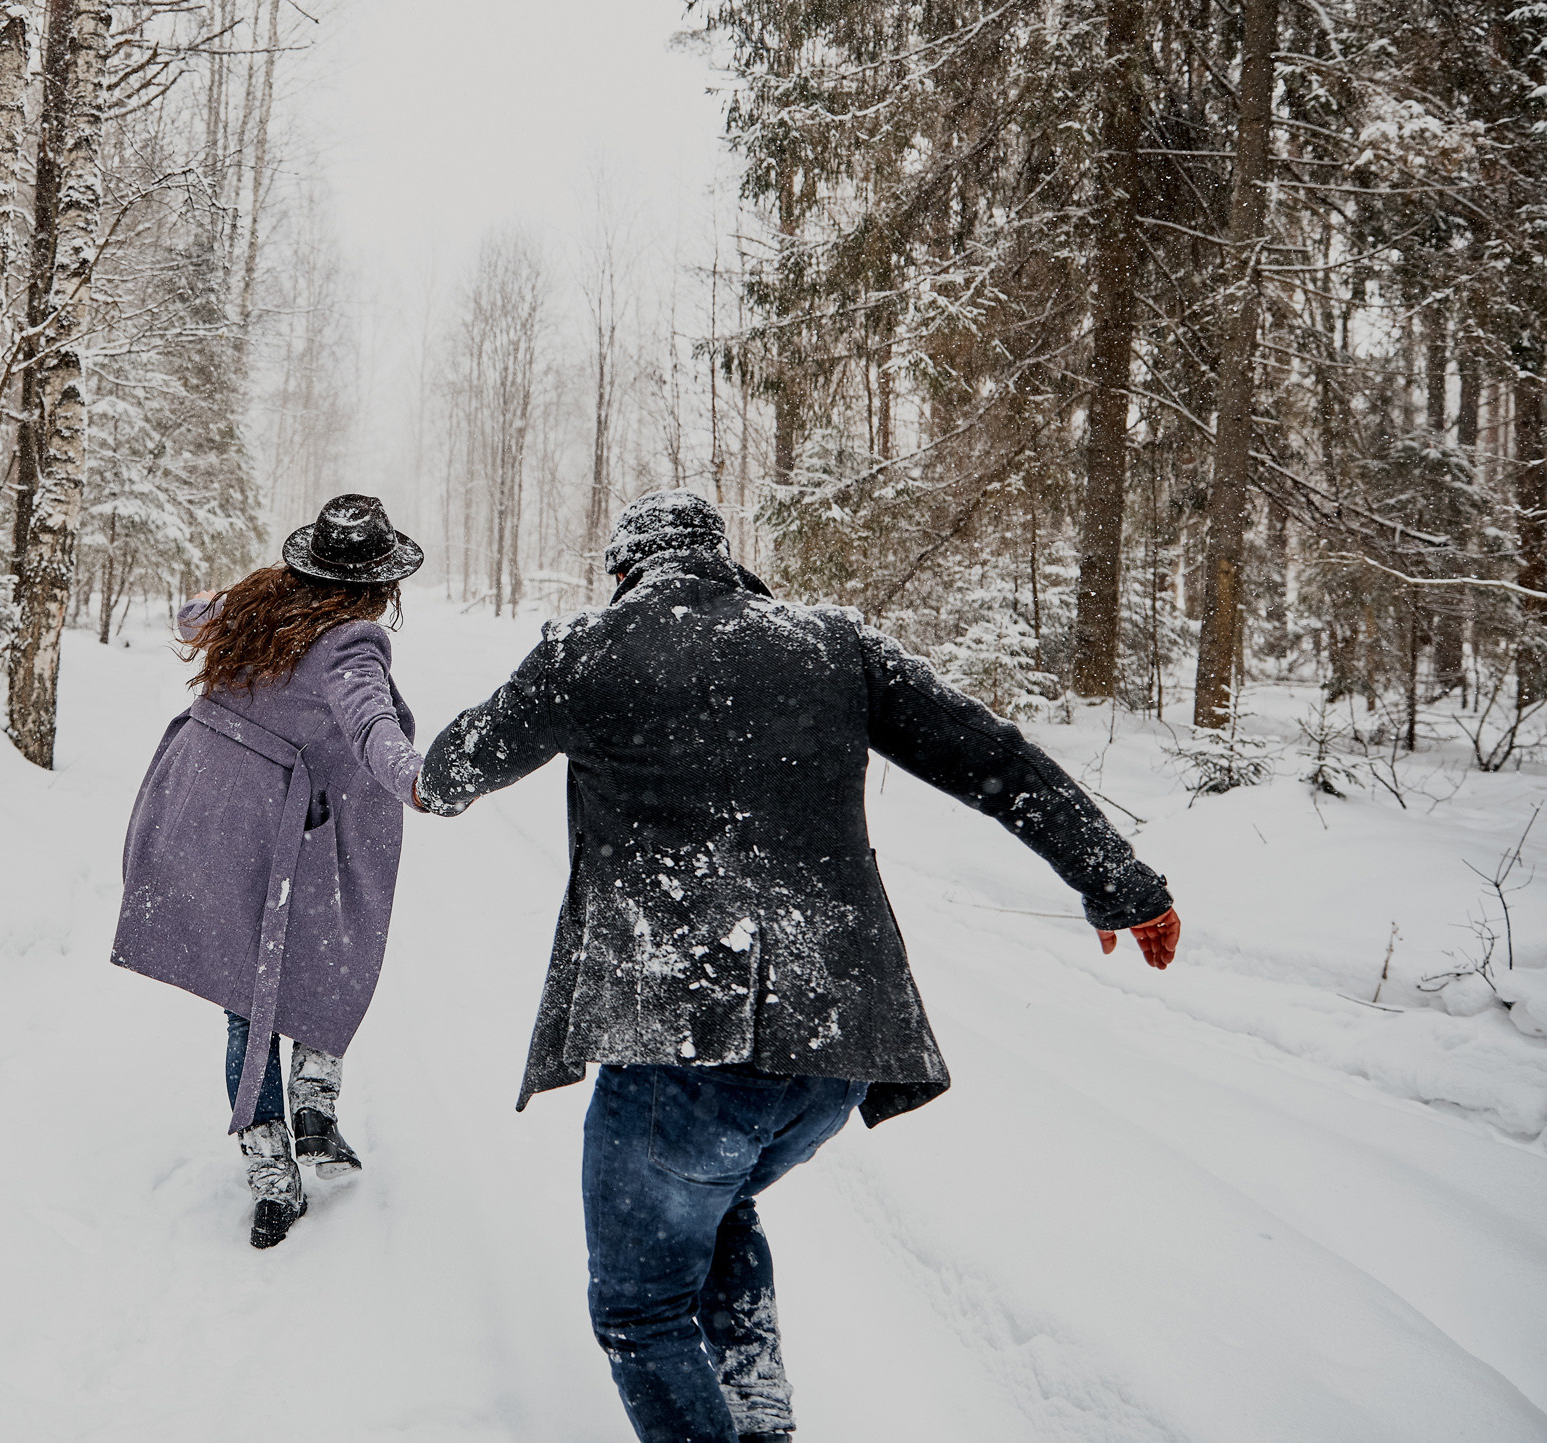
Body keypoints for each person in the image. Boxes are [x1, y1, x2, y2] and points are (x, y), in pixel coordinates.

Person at [418, 489, 1181, 1443]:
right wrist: (1121, 881)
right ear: (724, 560)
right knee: (718, 1207)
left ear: (626, 570)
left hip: (680, 1052)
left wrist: (401, 760)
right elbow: (994, 758)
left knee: (640, 1308)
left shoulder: (592, 648)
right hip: (835, 1048)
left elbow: (447, 772)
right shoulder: (833, 642)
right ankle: (762, 1427)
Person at [113, 494, 434, 1249]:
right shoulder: (351, 641)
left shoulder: (261, 602)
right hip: (281, 826)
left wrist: (226, 608)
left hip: (213, 810)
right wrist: (418, 781)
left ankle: (273, 1172)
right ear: (376, 585)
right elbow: (370, 723)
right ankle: (310, 1109)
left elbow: (193, 615)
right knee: (330, 951)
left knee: (245, 993)